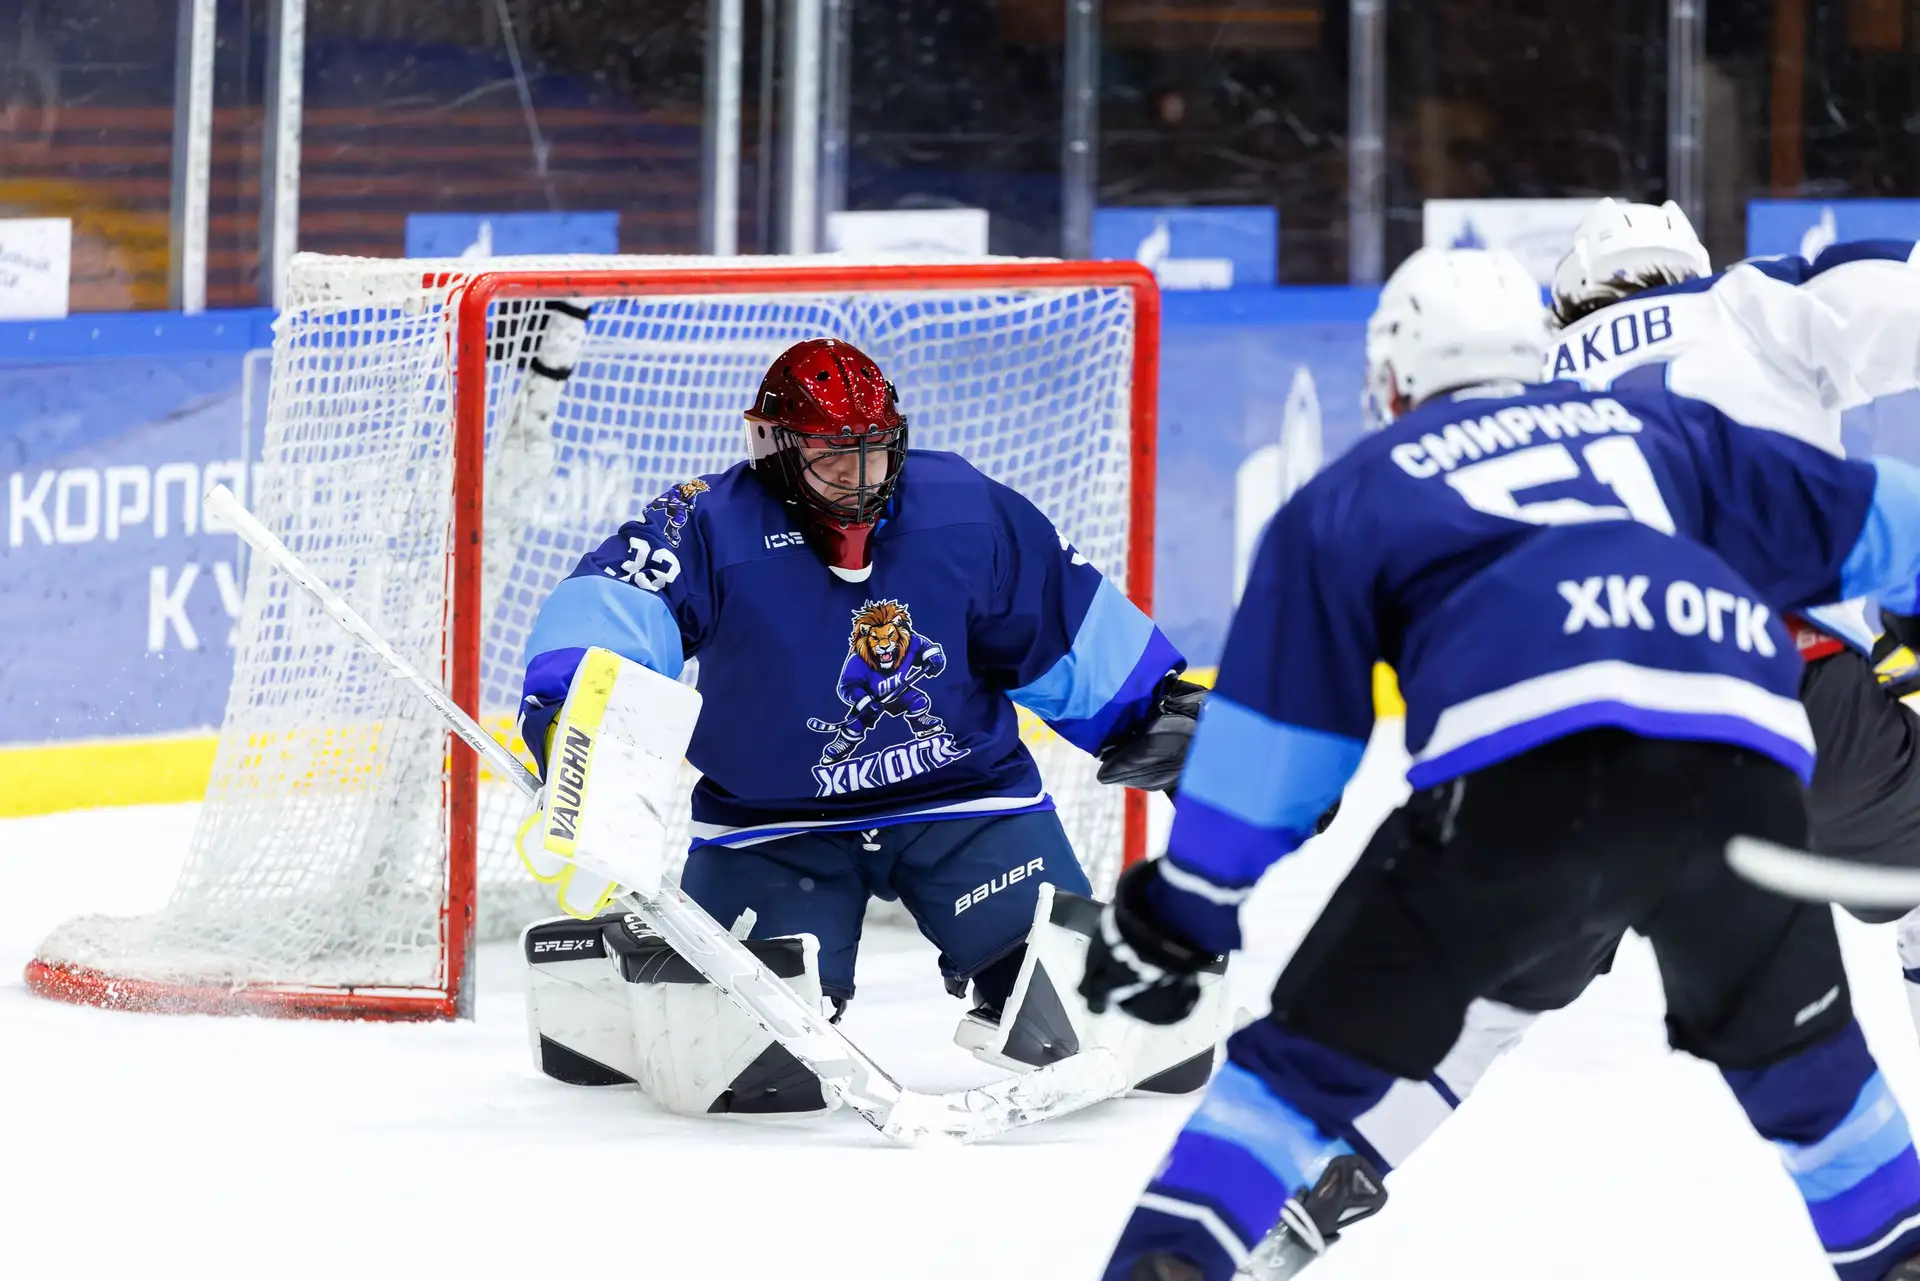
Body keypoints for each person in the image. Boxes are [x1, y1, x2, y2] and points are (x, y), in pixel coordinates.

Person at [1080, 247, 1920, 1281]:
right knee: (1818, 1091)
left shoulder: (1356, 490)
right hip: (1740, 768)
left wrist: (1183, 915)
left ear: (1393, 383)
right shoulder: (1669, 434)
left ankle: (1198, 1242)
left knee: (1295, 1075)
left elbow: (1277, 755)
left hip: (1522, 786)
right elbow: (1895, 519)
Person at [515, 337, 1211, 1097]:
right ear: (774, 449)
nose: (860, 476)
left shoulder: (964, 510)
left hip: (967, 802)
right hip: (775, 826)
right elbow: (613, 608)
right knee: (743, 1063)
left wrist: (1157, 712)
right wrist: (576, 716)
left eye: (874, 452)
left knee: (1090, 1017)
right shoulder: (709, 522)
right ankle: (624, 964)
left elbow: (1058, 618)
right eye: (832, 457)